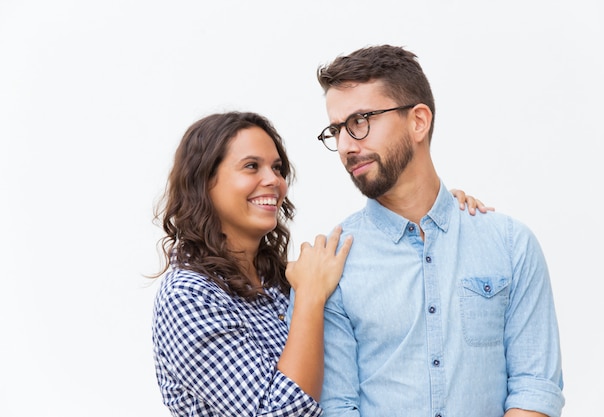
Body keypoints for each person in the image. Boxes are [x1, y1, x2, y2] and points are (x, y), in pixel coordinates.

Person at [150, 111, 486, 416]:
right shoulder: (189, 295)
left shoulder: (279, 281)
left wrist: (434, 211)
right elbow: (281, 412)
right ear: (204, 182)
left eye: (277, 168)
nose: (274, 181)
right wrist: (310, 297)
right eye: (252, 166)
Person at [307, 45, 565, 417]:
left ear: (418, 121)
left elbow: (535, 387)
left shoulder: (510, 244)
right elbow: (336, 407)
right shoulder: (330, 266)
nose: (346, 145)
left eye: (360, 121)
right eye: (336, 130)